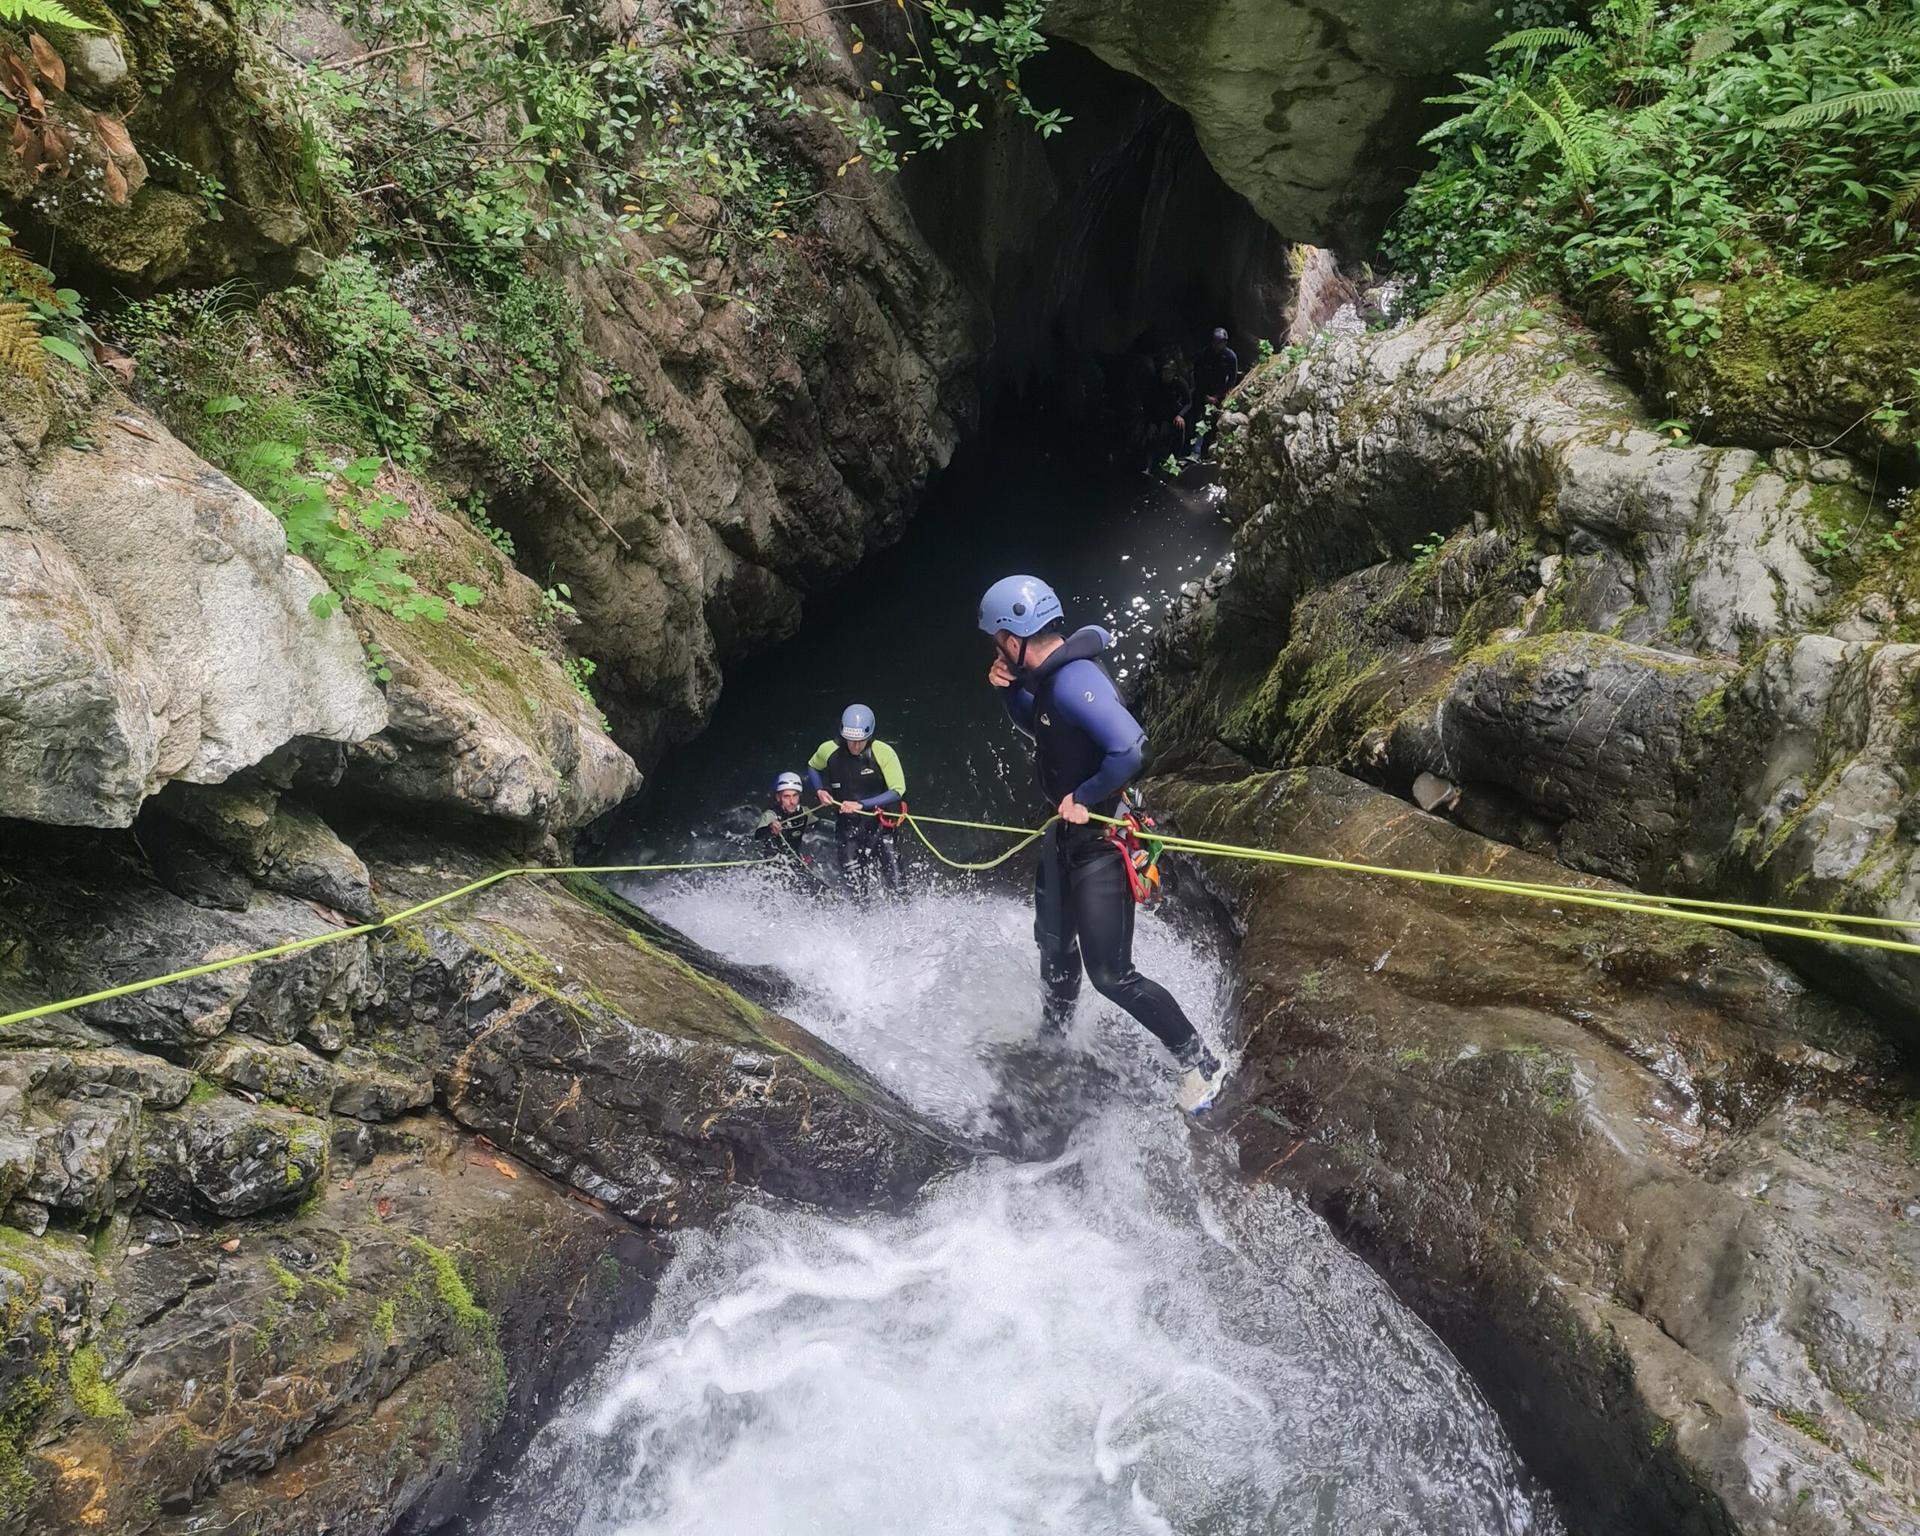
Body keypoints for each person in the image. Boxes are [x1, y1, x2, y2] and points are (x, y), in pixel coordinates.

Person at [978, 575, 1226, 1112]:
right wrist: (1007, 693)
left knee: (1112, 975)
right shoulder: (1045, 679)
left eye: (996, 639)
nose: (994, 648)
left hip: (1101, 840)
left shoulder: (1073, 680)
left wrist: (1084, 796)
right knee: (1055, 944)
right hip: (1068, 835)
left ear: (1013, 636)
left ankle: (1202, 1063)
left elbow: (1131, 748)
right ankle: (1056, 1038)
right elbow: (1038, 726)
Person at [807, 704, 906, 894]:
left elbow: (897, 790)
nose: (855, 745)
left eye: (860, 741)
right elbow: (812, 766)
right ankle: (864, 920)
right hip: (848, 827)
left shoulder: (883, 752)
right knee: (857, 890)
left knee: (897, 884)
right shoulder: (828, 749)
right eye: (851, 740)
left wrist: (861, 804)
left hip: (879, 825)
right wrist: (820, 790)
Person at [1189, 326, 1241, 462]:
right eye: (1216, 342)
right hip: (1204, 392)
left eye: (1221, 342)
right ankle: (1195, 452)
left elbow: (1232, 378)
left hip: (1220, 393)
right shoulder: (1204, 354)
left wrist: (1218, 396)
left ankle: (1206, 453)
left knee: (1214, 422)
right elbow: (1197, 375)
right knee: (1200, 420)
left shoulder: (1230, 357)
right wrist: (1204, 394)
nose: (1218, 345)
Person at [754, 771, 814, 862]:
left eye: (795, 796)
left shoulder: (805, 812)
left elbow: (819, 827)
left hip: (795, 858)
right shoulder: (770, 815)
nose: (792, 801)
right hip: (774, 861)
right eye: (786, 797)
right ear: (778, 797)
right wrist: (770, 828)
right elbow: (758, 835)